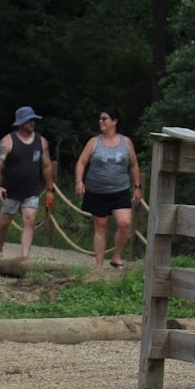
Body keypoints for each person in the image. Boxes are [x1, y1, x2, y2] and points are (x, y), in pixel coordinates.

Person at [73, 106, 142, 269]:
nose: (101, 121)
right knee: (101, 226)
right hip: (97, 191)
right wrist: (78, 181)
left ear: (114, 121)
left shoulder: (126, 142)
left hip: (120, 191)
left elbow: (134, 165)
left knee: (125, 223)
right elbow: (82, 162)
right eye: (100, 119)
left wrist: (137, 186)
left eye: (104, 118)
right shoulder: (93, 142)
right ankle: (98, 265)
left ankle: (116, 256)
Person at [0, 105, 55, 259]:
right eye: (28, 120)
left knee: (30, 219)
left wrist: (50, 188)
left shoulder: (41, 142)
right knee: (4, 222)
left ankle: (25, 256)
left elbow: (46, 166)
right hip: (10, 190)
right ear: (20, 122)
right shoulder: (7, 141)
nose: (32, 123)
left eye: (33, 120)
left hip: (31, 190)